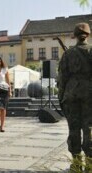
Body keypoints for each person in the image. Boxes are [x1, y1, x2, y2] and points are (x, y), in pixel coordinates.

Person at [58, 22, 92, 172]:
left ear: (75, 36)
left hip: (71, 95)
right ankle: (90, 165)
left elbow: (62, 79)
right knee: (89, 128)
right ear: (88, 35)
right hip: (89, 94)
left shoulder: (68, 54)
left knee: (73, 129)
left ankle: (76, 164)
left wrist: (61, 98)